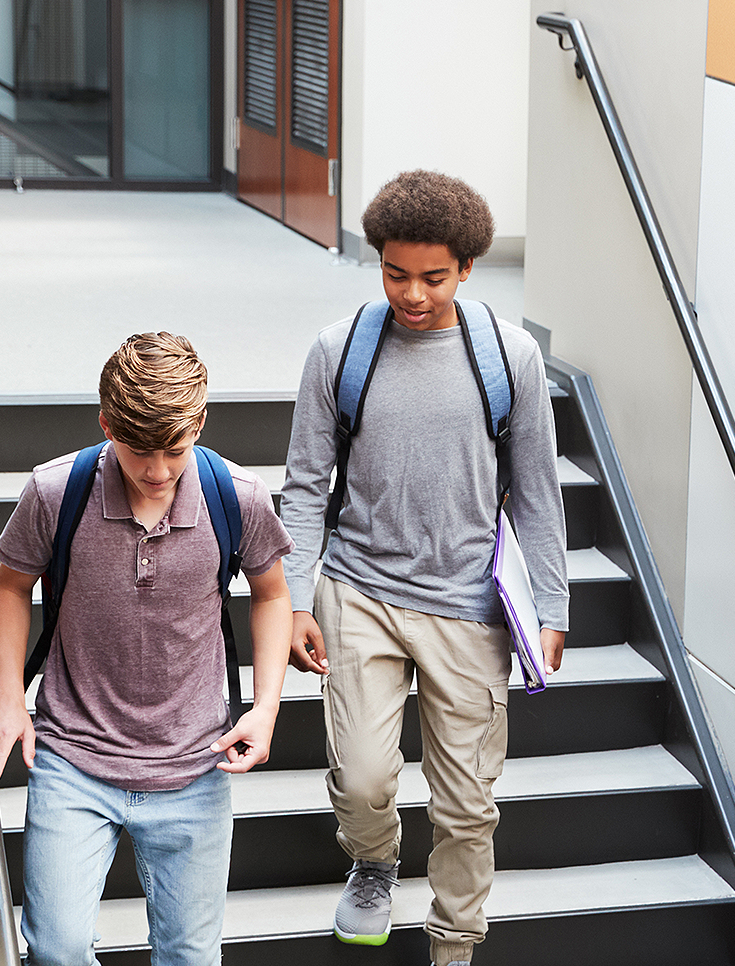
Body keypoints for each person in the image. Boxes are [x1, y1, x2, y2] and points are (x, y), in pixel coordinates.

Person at [279, 170, 569, 966]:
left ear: (468, 267)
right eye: (395, 273)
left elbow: (538, 493)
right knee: (363, 780)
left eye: (433, 277)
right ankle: (374, 862)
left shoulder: (509, 357)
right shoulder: (339, 351)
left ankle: (455, 944)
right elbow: (303, 487)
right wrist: (297, 599)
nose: (412, 293)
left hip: (469, 605)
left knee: (467, 807)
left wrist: (551, 608)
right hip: (360, 591)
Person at [0, 332, 295, 966]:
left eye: (175, 449)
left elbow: (273, 594)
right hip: (74, 758)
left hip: (194, 765)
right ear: (107, 425)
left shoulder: (239, 497)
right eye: (139, 450)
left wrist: (266, 708)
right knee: (56, 949)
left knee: (190, 957)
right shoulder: (56, 491)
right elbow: (10, 587)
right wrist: (7, 697)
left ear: (199, 423)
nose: (158, 470)